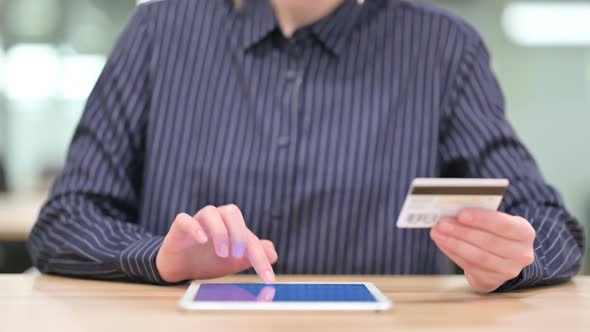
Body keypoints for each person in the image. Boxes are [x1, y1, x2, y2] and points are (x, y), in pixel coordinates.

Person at [27, 0, 585, 293]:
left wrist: (516, 259)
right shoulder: (156, 34)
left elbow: (551, 226)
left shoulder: (444, 50)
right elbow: (65, 221)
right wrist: (158, 257)